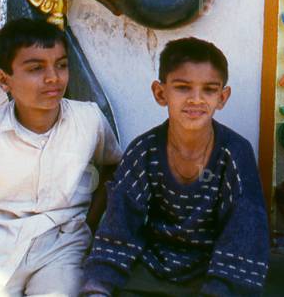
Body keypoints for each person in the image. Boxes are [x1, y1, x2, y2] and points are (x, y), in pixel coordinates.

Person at [0, 18, 121, 296]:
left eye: (61, 65)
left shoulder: (89, 120)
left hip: (62, 246)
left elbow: (113, 166)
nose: (53, 77)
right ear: (4, 80)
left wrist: (89, 223)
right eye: (36, 68)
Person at [79, 37, 270, 296]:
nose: (196, 99)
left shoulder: (234, 153)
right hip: (152, 265)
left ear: (222, 97)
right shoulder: (144, 151)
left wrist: (219, 289)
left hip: (212, 268)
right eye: (182, 88)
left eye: (209, 90)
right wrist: (98, 288)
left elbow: (244, 232)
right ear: (160, 93)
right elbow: (119, 227)